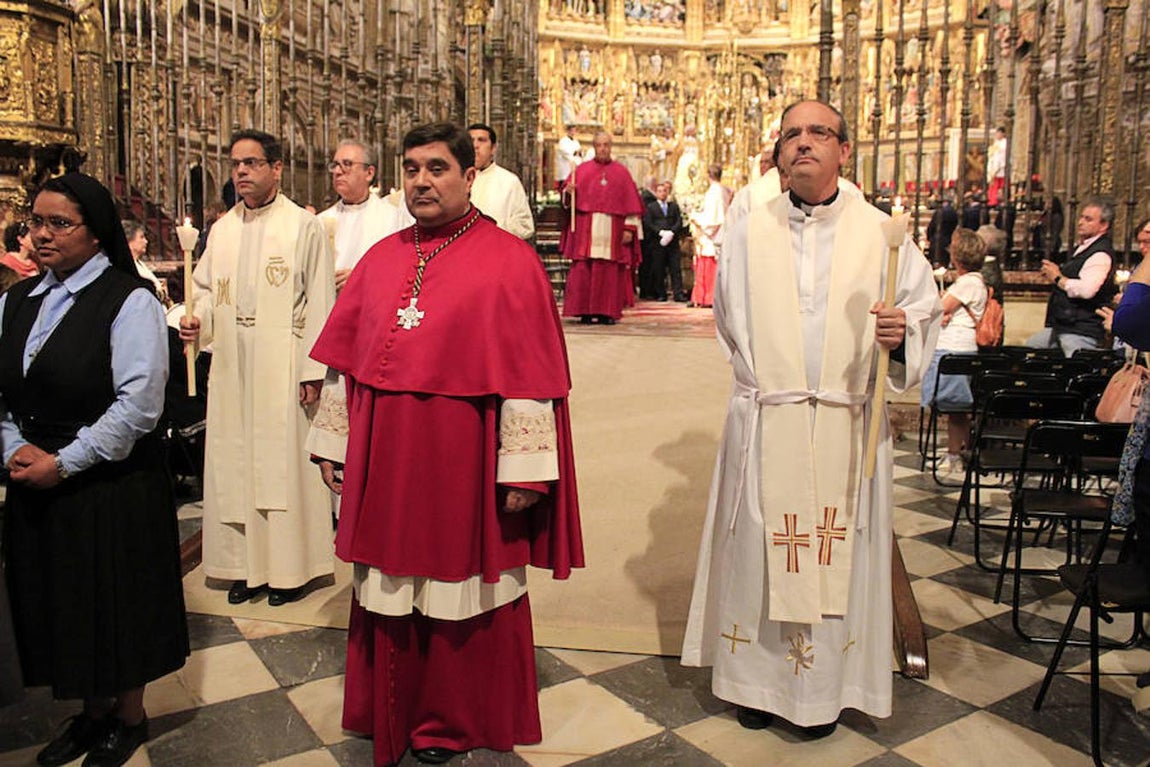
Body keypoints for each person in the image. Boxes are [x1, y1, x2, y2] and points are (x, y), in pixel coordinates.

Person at [308, 122, 584, 767]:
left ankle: (448, 721)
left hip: (464, 461)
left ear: (468, 176)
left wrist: (525, 472)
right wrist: (334, 442)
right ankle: (390, 707)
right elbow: (345, 365)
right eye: (411, 170)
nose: (422, 181)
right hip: (386, 457)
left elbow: (529, 380)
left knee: (459, 590)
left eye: (437, 168)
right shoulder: (382, 257)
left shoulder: (508, 260)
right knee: (389, 583)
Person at [681, 100, 940, 739]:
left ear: (843, 151)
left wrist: (901, 333)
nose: (803, 144)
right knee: (762, 549)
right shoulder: (749, 228)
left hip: (846, 427)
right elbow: (728, 320)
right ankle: (756, 684)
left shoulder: (884, 234)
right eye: (791, 134)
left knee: (838, 547)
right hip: (770, 421)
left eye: (818, 132)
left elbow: (921, 313)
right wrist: (770, 388)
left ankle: (825, 692)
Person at [0, 172, 189, 766]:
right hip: (34, 474)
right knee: (62, 603)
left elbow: (138, 405)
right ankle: (90, 713)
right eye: (36, 221)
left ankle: (127, 718)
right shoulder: (13, 301)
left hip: (110, 479)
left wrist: (65, 461)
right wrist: (12, 449)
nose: (43, 235)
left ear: (95, 230)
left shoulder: (126, 299)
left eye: (60, 223)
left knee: (115, 602)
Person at [178, 129, 336, 607]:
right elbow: (203, 290)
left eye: (252, 163)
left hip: (282, 358)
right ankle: (246, 566)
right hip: (232, 360)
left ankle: (289, 570)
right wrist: (195, 320)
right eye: (235, 164)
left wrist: (313, 370)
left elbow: (321, 301)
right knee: (236, 462)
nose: (242, 172)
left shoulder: (301, 226)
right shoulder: (222, 229)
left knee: (281, 464)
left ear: (276, 168)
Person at [921, 228, 988, 478]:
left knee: (955, 406)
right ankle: (954, 451)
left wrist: (943, 310)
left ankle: (955, 455)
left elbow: (938, 308)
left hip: (955, 348)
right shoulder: (968, 283)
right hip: (953, 345)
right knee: (952, 408)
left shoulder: (969, 282)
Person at [560, 130, 644, 325]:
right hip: (586, 228)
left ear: (611, 147)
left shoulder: (621, 173)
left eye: (606, 145)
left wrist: (629, 230)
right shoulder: (581, 171)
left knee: (609, 270)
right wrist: (568, 192)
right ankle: (585, 311)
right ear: (594, 147)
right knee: (585, 268)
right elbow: (567, 203)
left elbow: (631, 206)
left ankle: (608, 311)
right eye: (599, 145)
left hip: (611, 230)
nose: (603, 149)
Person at [317, 139, 413, 293]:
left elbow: (406, 268)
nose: (337, 171)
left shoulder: (394, 219)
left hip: (376, 303)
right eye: (335, 165)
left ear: (369, 173)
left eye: (347, 164)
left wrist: (361, 277)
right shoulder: (321, 221)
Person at [1026, 196, 1117, 356]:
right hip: (1063, 325)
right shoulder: (1083, 248)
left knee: (1076, 367)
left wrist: (1058, 278)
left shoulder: (1100, 254)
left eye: (1088, 219)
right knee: (1031, 348)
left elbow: (1087, 290)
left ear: (1104, 225)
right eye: (1081, 217)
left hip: (1080, 330)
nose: (1081, 222)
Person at [467, 123, 535, 240]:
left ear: (493, 148)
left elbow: (524, 225)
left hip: (495, 247)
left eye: (481, 140)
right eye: (471, 140)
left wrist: (491, 230)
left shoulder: (509, 181)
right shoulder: (455, 179)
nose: (475, 145)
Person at [688, 163, 726, 308]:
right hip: (713, 234)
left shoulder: (714, 192)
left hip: (712, 235)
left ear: (708, 175)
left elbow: (713, 218)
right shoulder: (720, 190)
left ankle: (709, 298)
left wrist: (695, 217)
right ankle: (703, 297)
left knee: (709, 268)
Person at [641, 181, 686, 301]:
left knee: (675, 268)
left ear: (667, 192)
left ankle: (678, 293)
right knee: (659, 268)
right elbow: (649, 223)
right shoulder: (651, 207)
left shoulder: (673, 206)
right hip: (658, 242)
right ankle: (661, 293)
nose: (662, 193)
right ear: (656, 193)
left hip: (673, 241)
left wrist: (672, 232)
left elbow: (679, 221)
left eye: (664, 191)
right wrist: (660, 232)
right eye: (660, 191)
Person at [121, 219, 165, 299]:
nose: (146, 241)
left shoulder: (140, 264)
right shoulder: (125, 267)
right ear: (128, 242)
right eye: (141, 237)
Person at [926, 192, 959, 268]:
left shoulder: (939, 212)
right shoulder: (954, 212)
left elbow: (932, 226)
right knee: (944, 264)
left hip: (936, 240)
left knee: (935, 263)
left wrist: (929, 237)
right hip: (948, 239)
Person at [555, 124, 582, 190]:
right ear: (568, 131)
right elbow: (565, 152)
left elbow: (579, 152)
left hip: (574, 169)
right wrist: (574, 153)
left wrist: (579, 154)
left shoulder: (576, 142)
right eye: (572, 131)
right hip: (565, 170)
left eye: (574, 131)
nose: (573, 132)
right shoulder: (563, 141)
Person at [987, 127, 1007, 207]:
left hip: (1000, 167)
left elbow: (1001, 155)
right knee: (993, 185)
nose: (997, 135)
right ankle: (992, 200)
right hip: (994, 166)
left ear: (1003, 134)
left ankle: (997, 200)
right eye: (997, 133)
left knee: (999, 186)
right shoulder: (996, 143)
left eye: (999, 133)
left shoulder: (1005, 143)